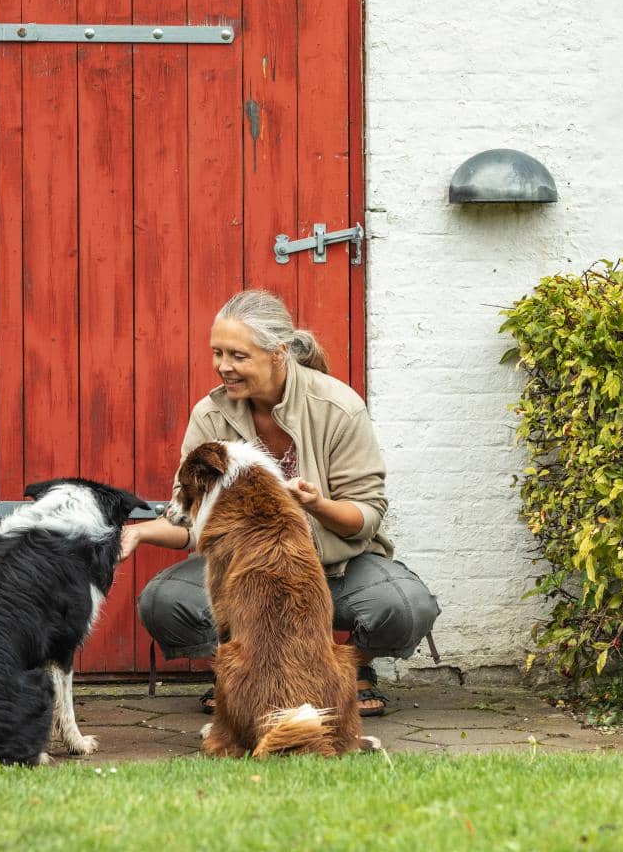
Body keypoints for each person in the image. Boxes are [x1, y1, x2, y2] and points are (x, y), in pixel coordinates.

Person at [120, 289, 441, 717]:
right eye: (217, 353)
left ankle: (340, 671)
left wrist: (316, 505)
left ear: (278, 352)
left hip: (334, 569)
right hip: (245, 572)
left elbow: (365, 516)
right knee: (163, 602)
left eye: (237, 355)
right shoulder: (210, 415)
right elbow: (191, 519)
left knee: (405, 607)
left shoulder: (338, 407)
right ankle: (243, 674)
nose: (222, 367)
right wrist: (139, 531)